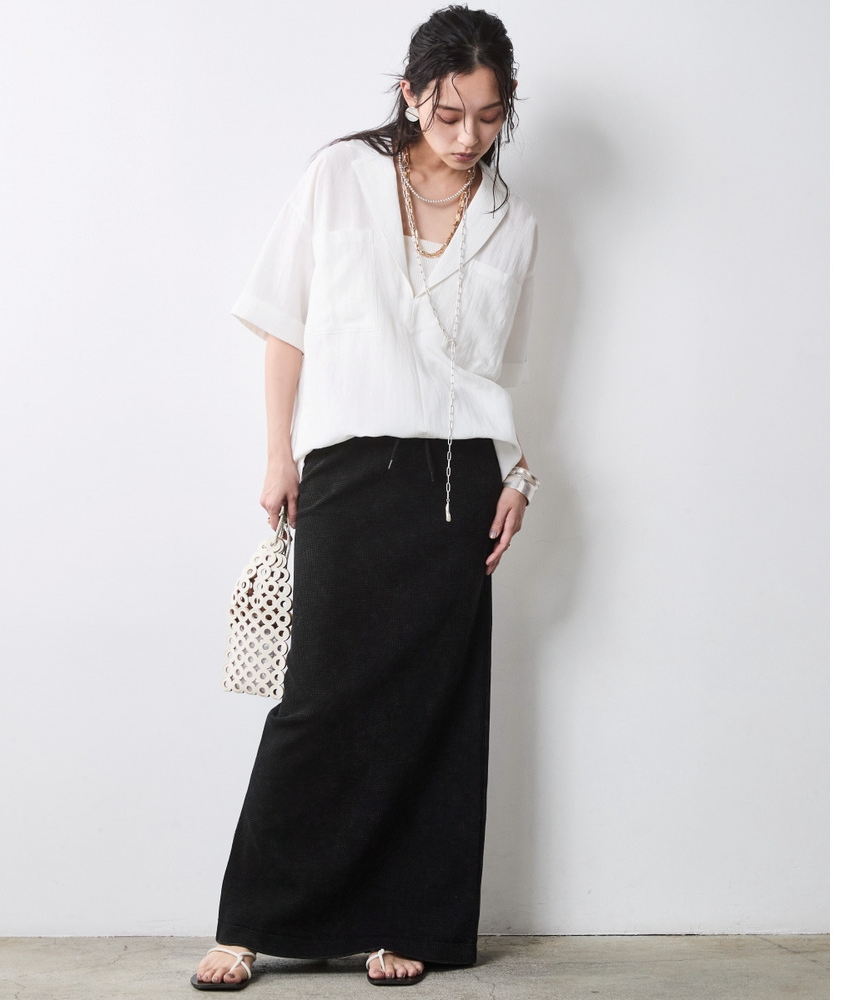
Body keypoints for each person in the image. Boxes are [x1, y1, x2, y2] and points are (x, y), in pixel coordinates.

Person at [193, 5, 539, 990]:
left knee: (435, 705)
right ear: (410, 94)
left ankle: (402, 918)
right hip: (347, 463)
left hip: (460, 476)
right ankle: (253, 922)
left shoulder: (515, 221)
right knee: (320, 698)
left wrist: (519, 474)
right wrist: (278, 452)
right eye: (449, 113)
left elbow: (500, 369)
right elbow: (286, 323)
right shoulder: (340, 176)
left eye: (488, 117)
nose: (468, 137)